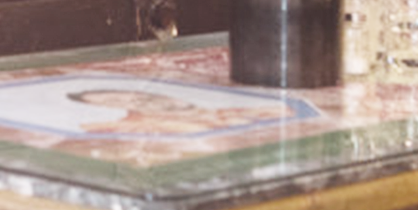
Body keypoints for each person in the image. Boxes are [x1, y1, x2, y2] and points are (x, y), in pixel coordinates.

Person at [66, 87, 291, 135]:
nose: (140, 100)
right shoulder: (145, 129)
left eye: (140, 95)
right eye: (116, 101)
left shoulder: (240, 108)